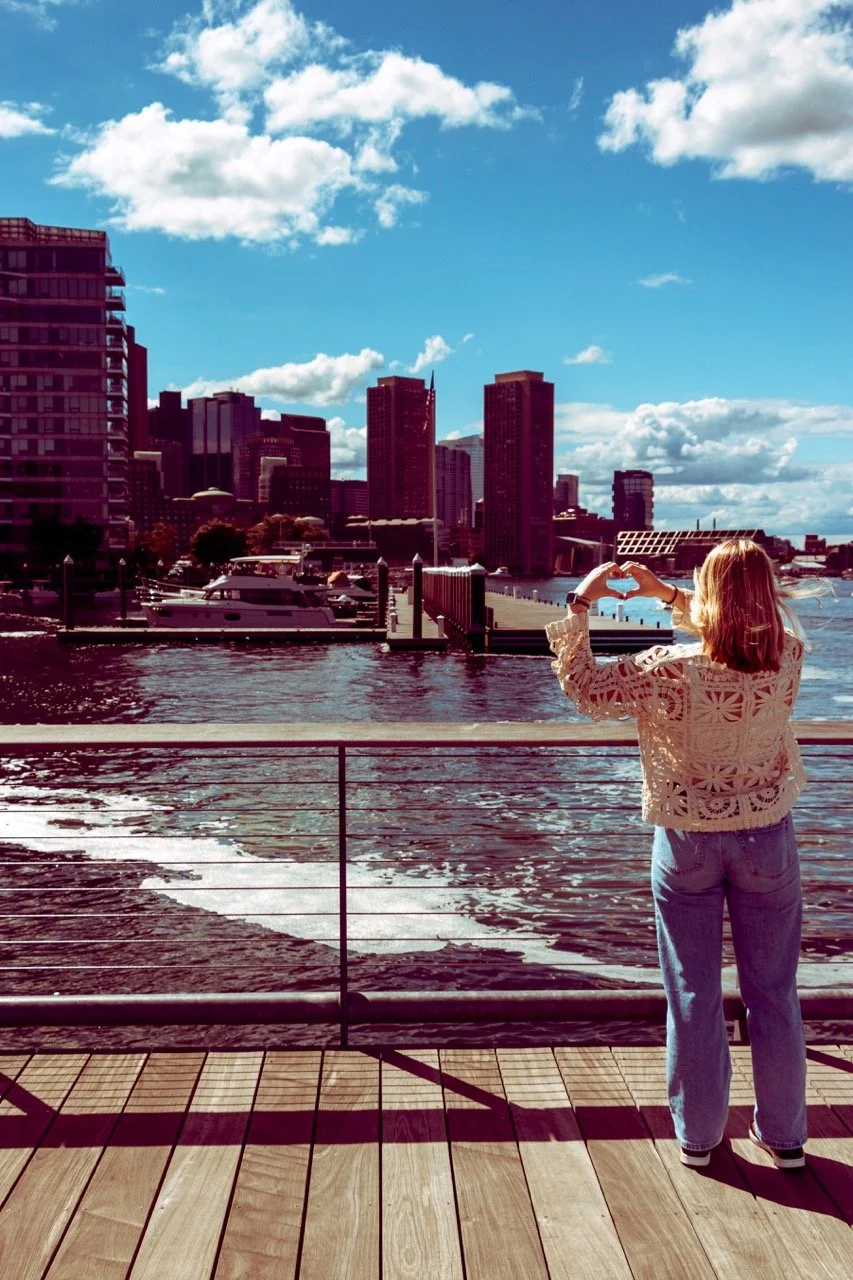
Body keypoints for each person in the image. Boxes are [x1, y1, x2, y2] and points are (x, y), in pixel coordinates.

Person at [546, 540, 808, 1170]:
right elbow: (733, 635)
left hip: (687, 839)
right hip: (766, 837)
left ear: (707, 594)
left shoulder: (666, 667)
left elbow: (584, 688)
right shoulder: (788, 656)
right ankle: (786, 1139)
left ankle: (699, 1137)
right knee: (774, 993)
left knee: (693, 993)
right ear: (768, 594)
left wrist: (582, 601)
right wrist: (666, 595)